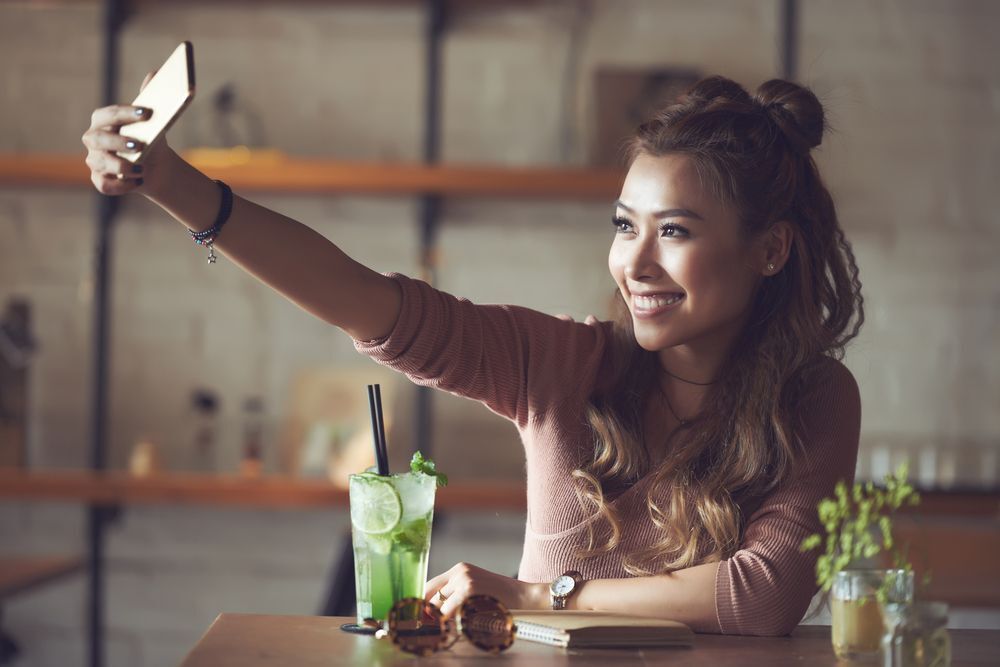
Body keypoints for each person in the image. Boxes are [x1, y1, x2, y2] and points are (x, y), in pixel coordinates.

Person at [82, 75, 863, 636]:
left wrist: (541, 594)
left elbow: (763, 594)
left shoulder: (816, 397)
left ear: (770, 250)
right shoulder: (559, 362)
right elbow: (365, 299)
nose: (636, 263)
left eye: (676, 231)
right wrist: (175, 184)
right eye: (626, 226)